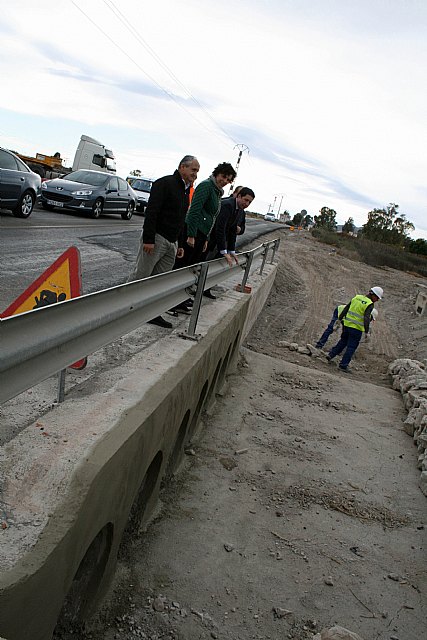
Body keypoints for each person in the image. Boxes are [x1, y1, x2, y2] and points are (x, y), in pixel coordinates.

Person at [129, 155, 200, 328]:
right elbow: (152, 212)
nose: (195, 175)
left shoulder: (186, 190)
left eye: (197, 171)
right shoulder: (164, 183)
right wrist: (149, 239)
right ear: (182, 167)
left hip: (172, 243)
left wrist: (180, 244)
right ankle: (125, 310)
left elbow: (182, 219)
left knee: (159, 281)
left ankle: (151, 313)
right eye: (193, 170)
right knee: (141, 276)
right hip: (156, 239)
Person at [171, 162, 236, 312]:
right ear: (217, 174)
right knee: (182, 267)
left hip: (201, 235)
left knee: (191, 269)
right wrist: (191, 235)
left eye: (228, 179)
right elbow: (194, 211)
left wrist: (206, 238)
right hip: (193, 233)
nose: (225, 181)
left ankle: (181, 299)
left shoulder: (217, 191)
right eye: (223, 176)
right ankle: (173, 302)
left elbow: (211, 217)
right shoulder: (206, 186)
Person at [326, 286, 383, 372]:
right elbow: (366, 318)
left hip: (347, 325)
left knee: (343, 341)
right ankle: (343, 365)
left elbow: (346, 308)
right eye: (377, 298)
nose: (377, 300)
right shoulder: (369, 304)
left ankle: (331, 355)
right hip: (356, 329)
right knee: (351, 347)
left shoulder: (357, 297)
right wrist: (367, 332)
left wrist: (339, 319)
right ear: (373, 295)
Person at [207, 187, 255, 267]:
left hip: (219, 243)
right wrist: (224, 251)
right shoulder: (227, 205)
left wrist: (231, 251)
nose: (247, 204)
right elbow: (220, 228)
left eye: (249, 202)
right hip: (210, 241)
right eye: (246, 200)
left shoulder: (240, 210)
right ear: (239, 196)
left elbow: (233, 231)